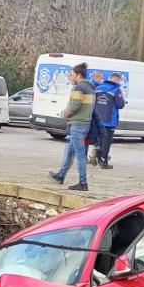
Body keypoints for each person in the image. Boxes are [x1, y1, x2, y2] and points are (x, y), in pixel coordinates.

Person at [48, 63, 94, 192]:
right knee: (69, 151)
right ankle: (60, 175)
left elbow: (75, 105)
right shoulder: (90, 87)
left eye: (71, 75)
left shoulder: (78, 87)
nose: (69, 77)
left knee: (80, 155)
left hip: (77, 124)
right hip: (84, 123)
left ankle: (83, 183)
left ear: (78, 75)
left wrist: (65, 112)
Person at [91, 72, 126, 169]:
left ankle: (97, 156)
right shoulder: (116, 89)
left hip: (97, 119)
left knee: (99, 140)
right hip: (109, 120)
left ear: (109, 78)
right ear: (118, 80)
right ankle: (103, 161)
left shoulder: (98, 88)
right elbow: (120, 105)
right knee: (106, 141)